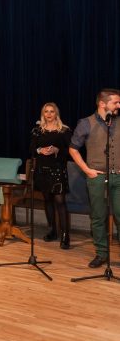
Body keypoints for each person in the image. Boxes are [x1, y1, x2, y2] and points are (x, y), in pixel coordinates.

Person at [70, 89, 120, 268]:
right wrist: (86, 170)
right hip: (97, 176)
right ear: (102, 103)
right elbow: (73, 149)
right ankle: (101, 253)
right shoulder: (86, 123)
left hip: (118, 177)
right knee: (98, 216)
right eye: (115, 102)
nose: (119, 105)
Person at [30, 103, 72, 249]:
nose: (48, 114)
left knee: (60, 201)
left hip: (58, 169)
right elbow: (31, 149)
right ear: (43, 114)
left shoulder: (64, 130)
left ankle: (65, 235)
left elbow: (71, 151)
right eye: (46, 111)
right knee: (47, 200)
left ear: (56, 113)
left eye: (52, 111)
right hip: (42, 170)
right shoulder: (37, 130)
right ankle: (53, 230)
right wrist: (39, 150)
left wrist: (57, 150)